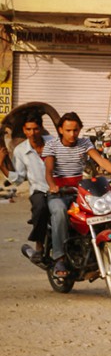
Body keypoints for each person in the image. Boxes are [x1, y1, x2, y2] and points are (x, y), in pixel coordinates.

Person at [43, 111, 111, 278]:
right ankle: (59, 258)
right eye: (68, 130)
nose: (72, 134)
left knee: (99, 212)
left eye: (75, 130)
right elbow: (48, 170)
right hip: (59, 192)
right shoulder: (52, 145)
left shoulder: (84, 143)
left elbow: (101, 160)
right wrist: (52, 185)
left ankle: (96, 251)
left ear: (80, 129)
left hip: (79, 190)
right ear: (60, 130)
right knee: (59, 212)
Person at [0, 109, 54, 263]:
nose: (32, 133)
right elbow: (19, 179)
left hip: (59, 188)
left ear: (41, 128)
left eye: (36, 129)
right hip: (39, 190)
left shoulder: (53, 142)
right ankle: (39, 246)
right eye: (28, 129)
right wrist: (2, 165)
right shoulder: (20, 150)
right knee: (40, 207)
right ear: (24, 130)